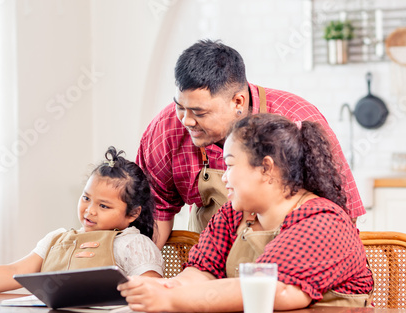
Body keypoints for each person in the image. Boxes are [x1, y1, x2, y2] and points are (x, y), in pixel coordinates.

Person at [120, 114, 374, 312]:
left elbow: (271, 291)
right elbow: (202, 272)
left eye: (230, 165)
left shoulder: (322, 222)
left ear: (266, 168)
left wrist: (172, 299)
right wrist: (165, 286)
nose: (225, 178)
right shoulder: (234, 215)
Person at [137, 39, 365, 248]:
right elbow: (153, 214)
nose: (186, 120)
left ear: (238, 101)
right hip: (211, 260)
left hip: (296, 259)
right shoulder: (166, 129)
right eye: (180, 106)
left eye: (199, 112)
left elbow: (342, 212)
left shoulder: (295, 117)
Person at [0, 147, 163, 297]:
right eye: (86, 198)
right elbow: (14, 271)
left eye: (103, 206)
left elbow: (155, 294)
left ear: (132, 214)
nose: (90, 210)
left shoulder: (133, 244)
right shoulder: (57, 239)